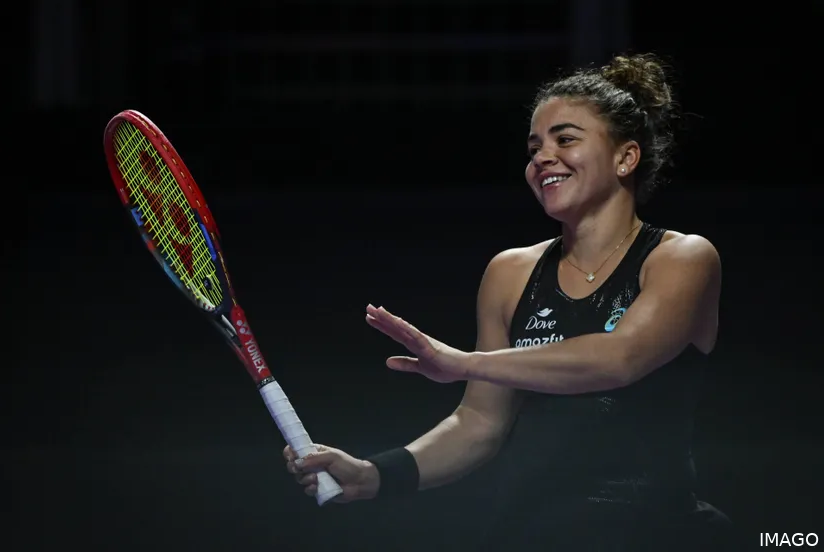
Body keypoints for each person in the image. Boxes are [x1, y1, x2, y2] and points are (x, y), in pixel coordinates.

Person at [283, 53, 735, 550]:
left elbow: (619, 359)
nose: (543, 157)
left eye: (565, 139)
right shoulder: (510, 273)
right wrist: (375, 474)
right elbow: (479, 423)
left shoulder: (682, 258)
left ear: (625, 158)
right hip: (530, 536)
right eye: (534, 146)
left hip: (656, 536)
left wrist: (466, 362)